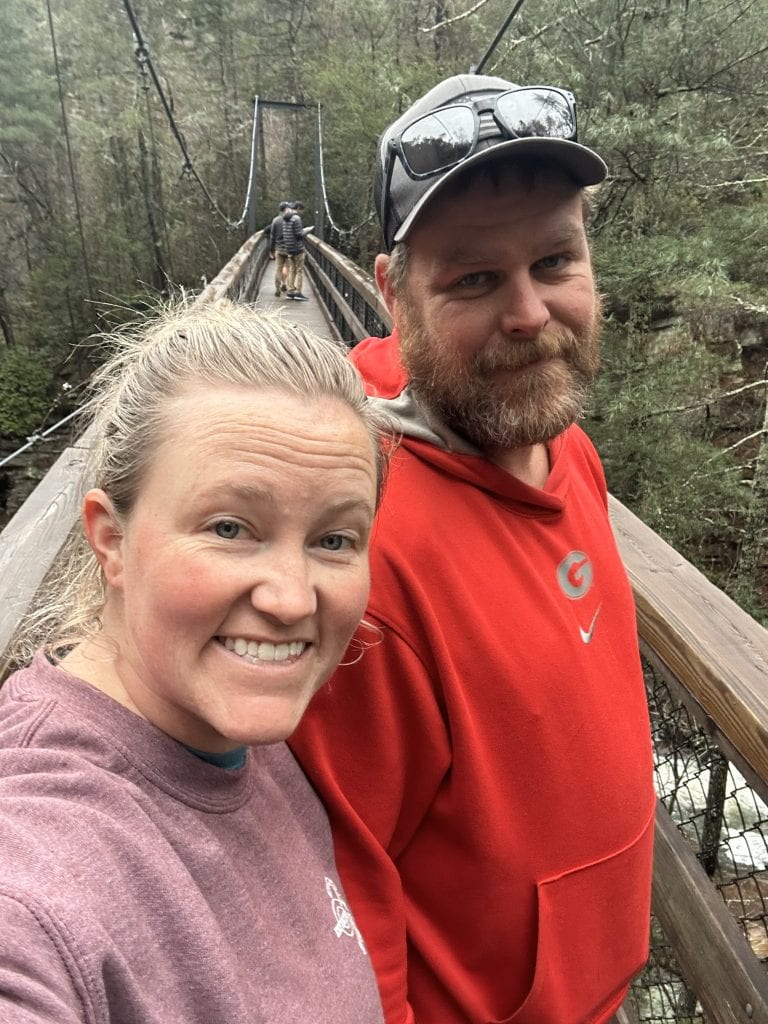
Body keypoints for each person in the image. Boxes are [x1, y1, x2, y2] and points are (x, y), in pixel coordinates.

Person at [289, 73, 656, 1024]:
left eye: (555, 260)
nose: (530, 313)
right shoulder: (361, 561)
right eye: (474, 279)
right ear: (390, 295)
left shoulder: (562, 441)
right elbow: (338, 902)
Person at [0, 301, 390, 1024]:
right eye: (230, 527)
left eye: (334, 540)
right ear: (110, 540)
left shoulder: (226, 724)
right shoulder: (41, 854)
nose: (290, 598)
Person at [283, 200, 313, 301]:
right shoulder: (296, 218)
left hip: (289, 248)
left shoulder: (286, 218)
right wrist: (307, 230)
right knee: (299, 270)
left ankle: (290, 291)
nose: (302, 212)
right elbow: (299, 234)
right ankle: (298, 292)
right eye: (302, 210)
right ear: (299, 208)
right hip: (297, 248)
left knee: (292, 269)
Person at [268, 199, 291, 296]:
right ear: (286, 209)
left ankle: (277, 288)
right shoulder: (291, 220)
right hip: (290, 248)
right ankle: (284, 283)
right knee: (287, 267)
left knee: (278, 268)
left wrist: (271, 250)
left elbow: (272, 236)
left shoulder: (275, 220)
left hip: (279, 248)